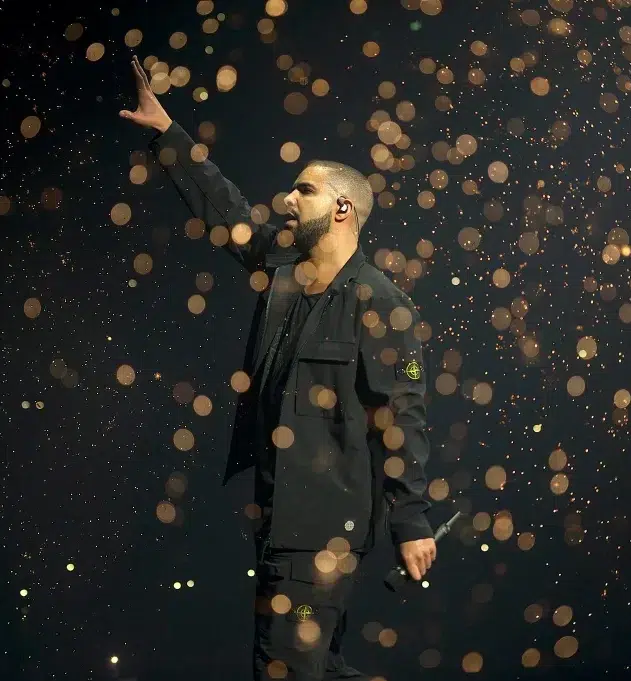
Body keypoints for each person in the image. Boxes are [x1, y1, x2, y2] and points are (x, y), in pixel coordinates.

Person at [120, 55, 437, 680]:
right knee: (314, 666)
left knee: (284, 667)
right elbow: (227, 212)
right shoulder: (284, 274)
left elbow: (401, 419)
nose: (287, 199)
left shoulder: (381, 305)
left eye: (305, 190)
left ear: (343, 209)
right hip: (280, 518)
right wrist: (168, 133)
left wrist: (411, 520)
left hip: (321, 529)